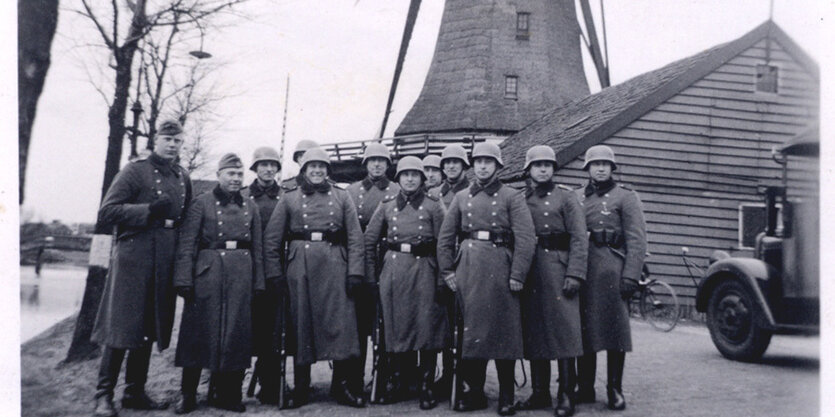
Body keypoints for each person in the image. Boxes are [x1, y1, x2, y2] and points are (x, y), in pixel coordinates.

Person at [91, 119, 191, 417]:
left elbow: (184, 219)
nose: (172, 145)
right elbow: (107, 211)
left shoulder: (182, 176)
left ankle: (135, 392)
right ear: (155, 140)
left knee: (150, 325)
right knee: (121, 325)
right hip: (134, 258)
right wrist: (146, 211)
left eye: (177, 141)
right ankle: (103, 395)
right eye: (167, 139)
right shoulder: (136, 170)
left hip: (165, 258)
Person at [263, 147, 368, 408]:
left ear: (327, 170)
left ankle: (341, 386)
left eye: (322, 166)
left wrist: (355, 271)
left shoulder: (342, 197)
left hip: (336, 265)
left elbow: (355, 237)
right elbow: (272, 240)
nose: (318, 171)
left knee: (340, 325)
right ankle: (300, 387)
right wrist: (275, 274)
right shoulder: (289, 199)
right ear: (304, 171)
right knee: (302, 325)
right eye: (313, 167)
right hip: (301, 267)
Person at [437, 142, 535, 416]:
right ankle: (475, 392)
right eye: (478, 161)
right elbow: (445, 239)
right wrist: (448, 272)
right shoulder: (461, 197)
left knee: (504, 333)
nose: (482, 166)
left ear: (497, 166)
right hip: (469, 269)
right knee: (472, 333)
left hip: (501, 268)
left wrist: (517, 274)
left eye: (488, 162)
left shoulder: (511, 197)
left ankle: (506, 395)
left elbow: (526, 239)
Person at [172, 153, 265, 413]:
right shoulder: (202, 204)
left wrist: (258, 282)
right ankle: (188, 394)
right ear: (219, 175)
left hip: (240, 274)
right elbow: (187, 243)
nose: (235, 179)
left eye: (239, 174)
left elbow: (257, 248)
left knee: (236, 334)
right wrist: (183, 279)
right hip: (208, 272)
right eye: (230, 174)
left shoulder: (250, 206)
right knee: (198, 333)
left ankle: (228, 394)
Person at [363, 156, 448, 409]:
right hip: (395, 271)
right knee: (397, 326)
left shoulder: (434, 205)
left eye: (415, 175)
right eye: (405, 174)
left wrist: (444, 276)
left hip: (425, 270)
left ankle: (425, 385)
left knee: (426, 326)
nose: (410, 179)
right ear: (398, 178)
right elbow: (369, 241)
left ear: (423, 179)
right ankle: (399, 382)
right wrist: (370, 275)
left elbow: (445, 242)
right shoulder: (387, 205)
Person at [515, 146, 588, 417]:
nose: (543, 169)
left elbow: (580, 238)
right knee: (535, 331)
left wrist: (575, 273)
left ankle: (566, 394)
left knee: (565, 332)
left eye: (548, 165)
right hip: (531, 270)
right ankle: (539, 392)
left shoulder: (566, 198)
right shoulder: (520, 199)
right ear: (528, 170)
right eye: (538, 165)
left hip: (559, 269)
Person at [574, 145, 646, 411]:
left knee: (615, 332)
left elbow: (637, 240)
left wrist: (631, 276)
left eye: (605, 164)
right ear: (588, 168)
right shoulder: (577, 197)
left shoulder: (625, 197)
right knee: (584, 331)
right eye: (595, 164)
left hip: (613, 272)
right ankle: (584, 386)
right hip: (583, 270)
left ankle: (614, 388)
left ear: (612, 168)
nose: (601, 168)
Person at [345, 142, 400, 393]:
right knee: (356, 323)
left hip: (389, 261)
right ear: (365, 164)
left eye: (382, 160)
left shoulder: (399, 190)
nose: (377, 164)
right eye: (372, 160)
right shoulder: (351, 191)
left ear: (388, 164)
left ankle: (390, 377)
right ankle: (351, 379)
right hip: (357, 262)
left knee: (389, 322)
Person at [239, 146, 287, 405]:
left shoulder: (286, 197)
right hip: (247, 268)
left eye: (273, 165)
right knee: (243, 325)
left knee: (273, 327)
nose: (268, 169)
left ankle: (270, 384)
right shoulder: (244, 196)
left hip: (277, 270)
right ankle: (226, 384)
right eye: (263, 165)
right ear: (255, 169)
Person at [431, 144, 470, 208]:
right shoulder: (434, 193)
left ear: (463, 165)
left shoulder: (472, 191)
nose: (451, 166)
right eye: (447, 162)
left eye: (455, 162)